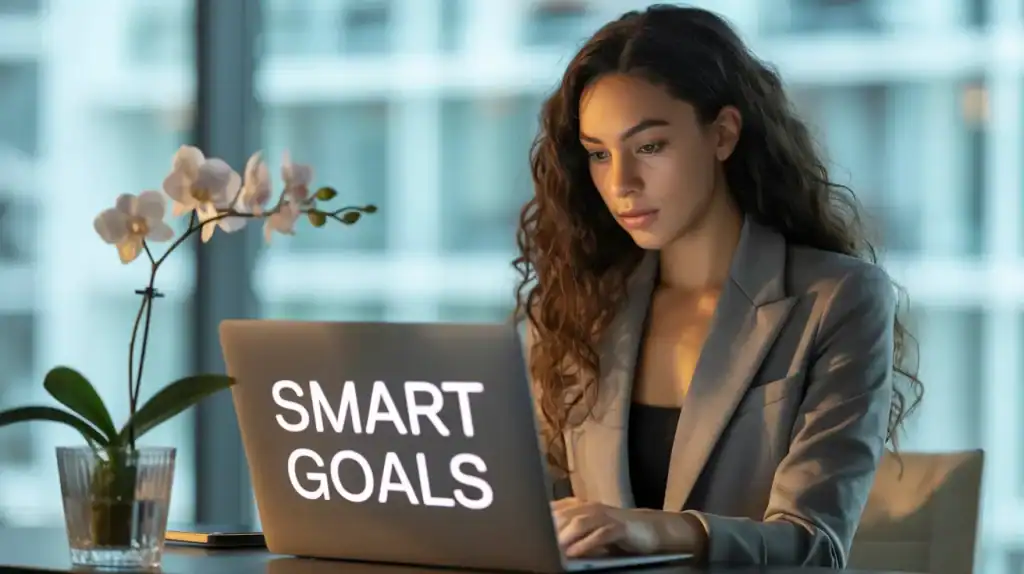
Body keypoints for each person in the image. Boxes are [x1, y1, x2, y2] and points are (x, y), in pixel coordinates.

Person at [511, 4, 923, 568]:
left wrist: (658, 532)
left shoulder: (838, 300)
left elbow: (813, 546)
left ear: (723, 133)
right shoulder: (579, 310)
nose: (622, 183)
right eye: (599, 154)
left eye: (650, 147)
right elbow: (534, 515)